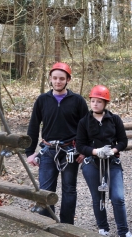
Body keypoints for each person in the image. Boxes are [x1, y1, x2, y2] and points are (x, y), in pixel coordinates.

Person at [76, 85, 132, 237]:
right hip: (92, 163)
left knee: (118, 197)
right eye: (92, 101)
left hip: (112, 162)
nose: (95, 104)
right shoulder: (84, 122)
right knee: (97, 197)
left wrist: (114, 150)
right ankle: (103, 230)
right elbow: (80, 145)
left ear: (105, 103)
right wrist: (94, 151)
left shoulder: (115, 119)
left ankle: (124, 233)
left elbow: (123, 141)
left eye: (99, 101)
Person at [26, 62, 88, 224]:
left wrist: (83, 150)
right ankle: (49, 225)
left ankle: (67, 226)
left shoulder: (77, 101)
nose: (58, 81)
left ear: (68, 79)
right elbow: (33, 126)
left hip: (70, 151)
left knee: (69, 189)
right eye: (55, 78)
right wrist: (30, 152)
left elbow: (87, 127)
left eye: (62, 78)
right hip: (47, 150)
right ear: (50, 79)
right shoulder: (42, 100)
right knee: (46, 191)